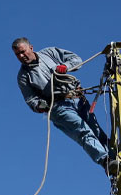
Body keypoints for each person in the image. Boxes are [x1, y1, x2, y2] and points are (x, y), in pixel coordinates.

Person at [12, 37, 114, 175]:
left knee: (96, 131)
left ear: (31, 48)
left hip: (77, 98)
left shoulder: (50, 53)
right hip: (58, 107)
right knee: (81, 129)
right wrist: (40, 106)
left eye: (23, 52)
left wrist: (65, 67)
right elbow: (31, 99)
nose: (22, 56)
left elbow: (76, 59)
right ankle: (105, 160)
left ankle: (115, 158)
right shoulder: (23, 76)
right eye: (18, 54)